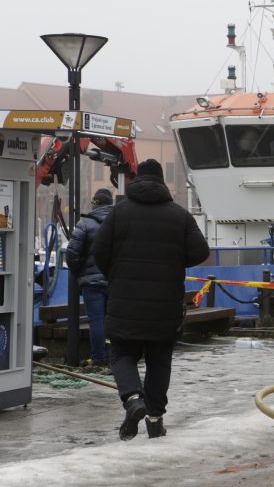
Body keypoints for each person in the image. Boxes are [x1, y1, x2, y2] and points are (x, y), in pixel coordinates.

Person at [92, 159, 209, 441]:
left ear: (135, 182)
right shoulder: (180, 215)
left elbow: (98, 251)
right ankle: (155, 421)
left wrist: (115, 274)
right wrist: (174, 261)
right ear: (161, 183)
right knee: (159, 360)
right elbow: (200, 252)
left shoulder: (119, 213)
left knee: (122, 353)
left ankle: (133, 400)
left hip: (125, 300)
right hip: (165, 302)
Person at [64, 187, 114, 368]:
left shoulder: (85, 224)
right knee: (112, 320)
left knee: (96, 321)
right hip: (115, 281)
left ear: (95, 204)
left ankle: (99, 359)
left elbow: (71, 253)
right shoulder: (119, 223)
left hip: (91, 282)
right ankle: (115, 358)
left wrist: (79, 272)